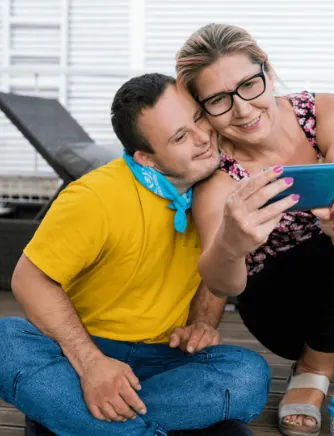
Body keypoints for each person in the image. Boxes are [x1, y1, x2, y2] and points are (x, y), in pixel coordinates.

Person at [0, 73, 271, 436]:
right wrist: (92, 365)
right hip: (79, 352)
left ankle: (77, 420)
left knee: (248, 373)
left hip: (166, 362)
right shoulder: (94, 197)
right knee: (5, 339)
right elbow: (28, 279)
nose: (204, 138)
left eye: (197, 119)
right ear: (148, 158)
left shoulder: (222, 188)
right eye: (179, 137)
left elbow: (216, 262)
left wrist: (202, 322)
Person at [175, 23, 334, 436]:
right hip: (281, 311)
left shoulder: (328, 111)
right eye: (219, 100)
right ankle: (312, 371)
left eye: (248, 85)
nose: (242, 110)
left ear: (268, 72)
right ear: (202, 109)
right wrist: (231, 244)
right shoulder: (218, 179)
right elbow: (222, 282)